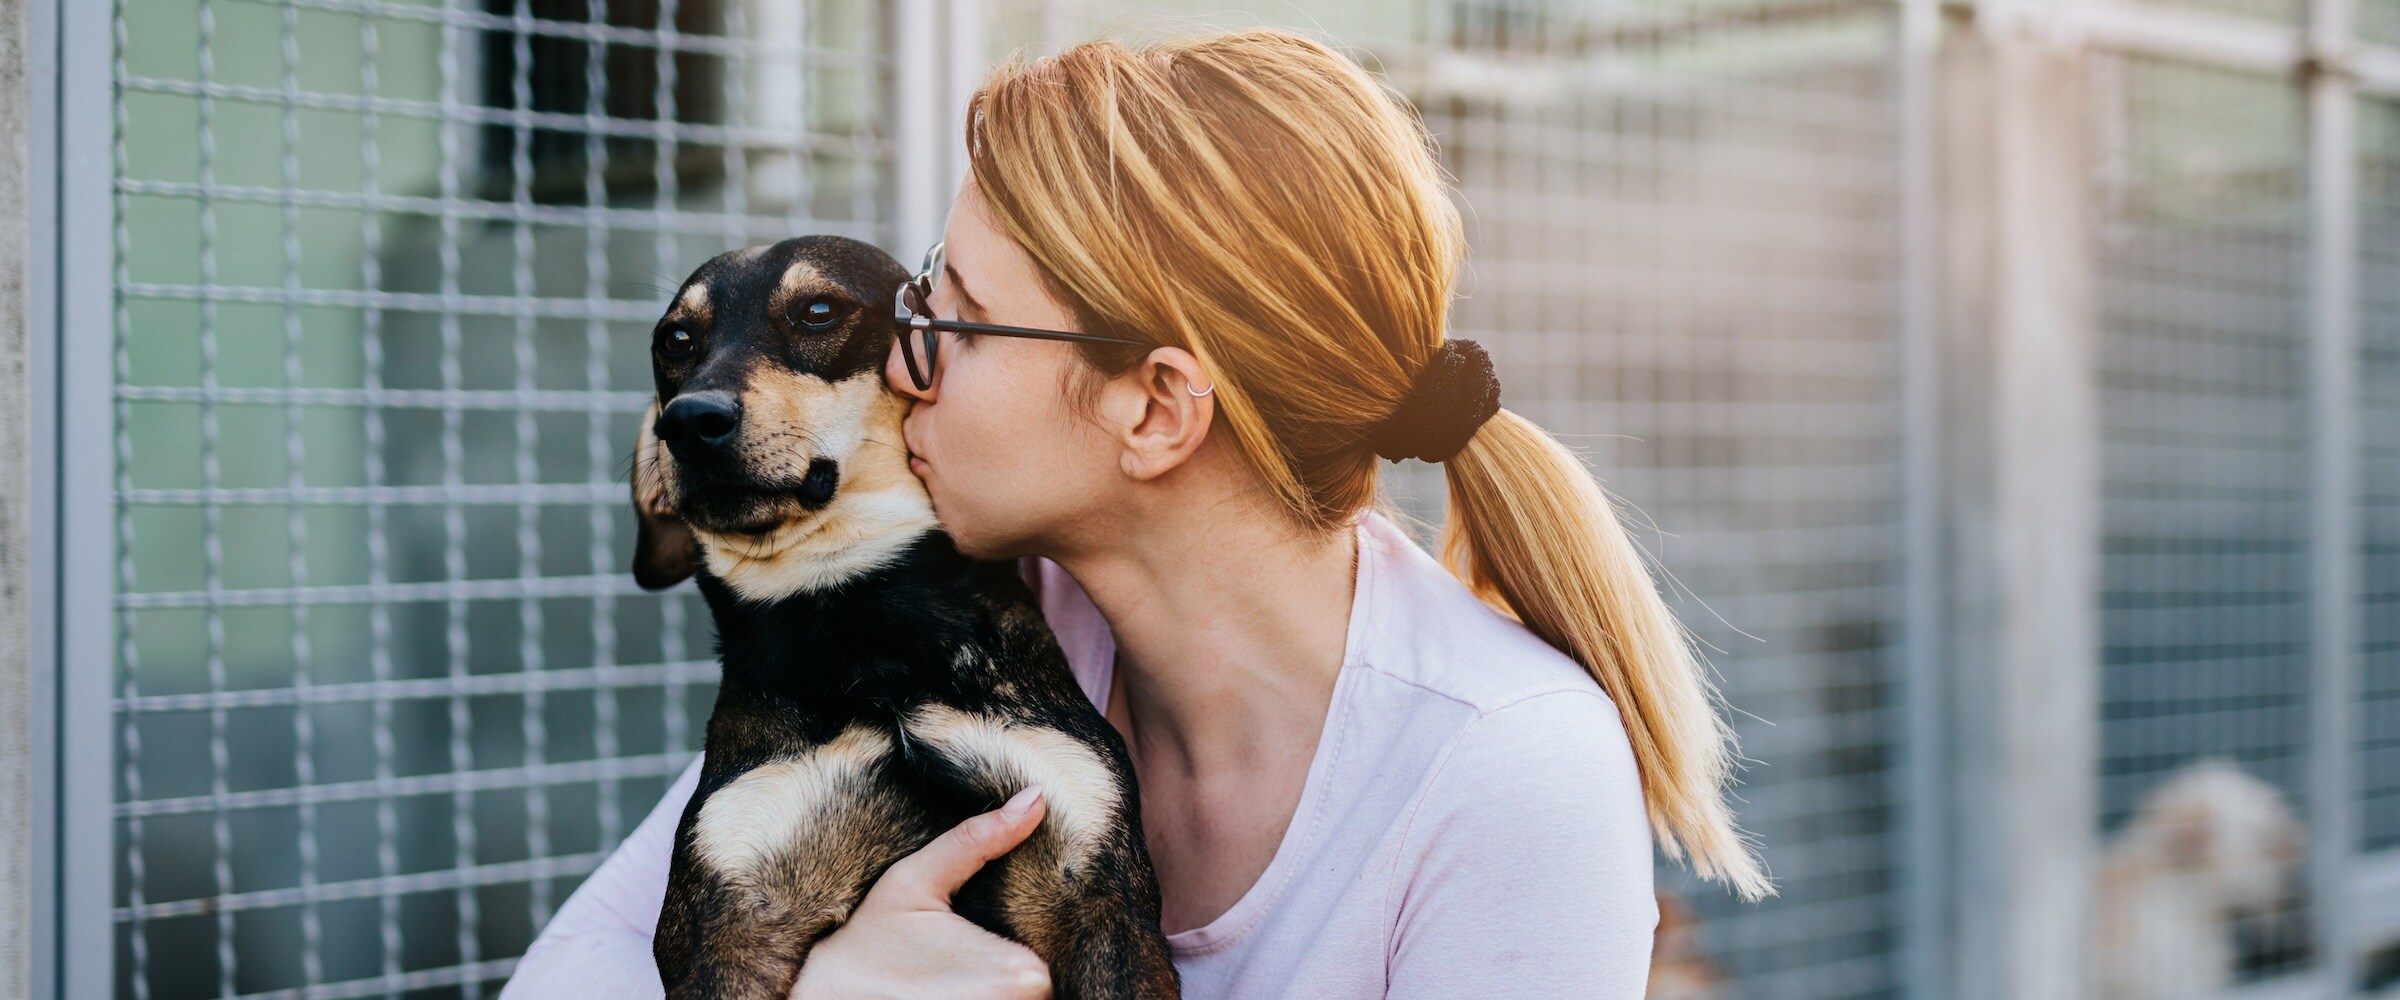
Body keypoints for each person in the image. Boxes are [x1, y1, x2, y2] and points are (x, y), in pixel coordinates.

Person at [504, 29, 1768, 1000]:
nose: (900, 366)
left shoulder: (1503, 765)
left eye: (955, 322)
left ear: (1157, 409)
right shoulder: (994, 613)